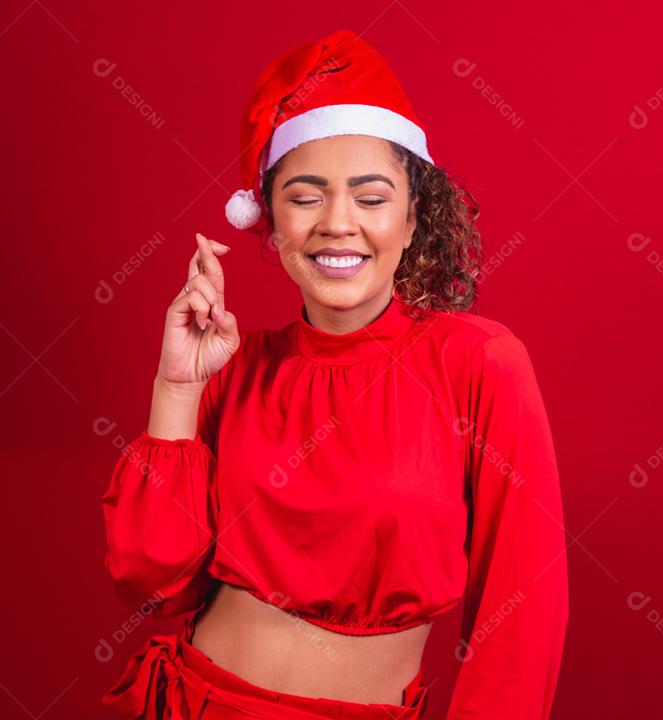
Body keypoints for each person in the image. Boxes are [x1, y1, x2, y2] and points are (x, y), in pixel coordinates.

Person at [100, 29, 569, 719]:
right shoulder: (231, 368)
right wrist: (177, 389)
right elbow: (150, 584)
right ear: (272, 223)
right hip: (191, 702)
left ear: (414, 217)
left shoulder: (478, 364)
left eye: (371, 197)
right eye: (306, 195)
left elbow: (523, 609)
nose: (337, 223)